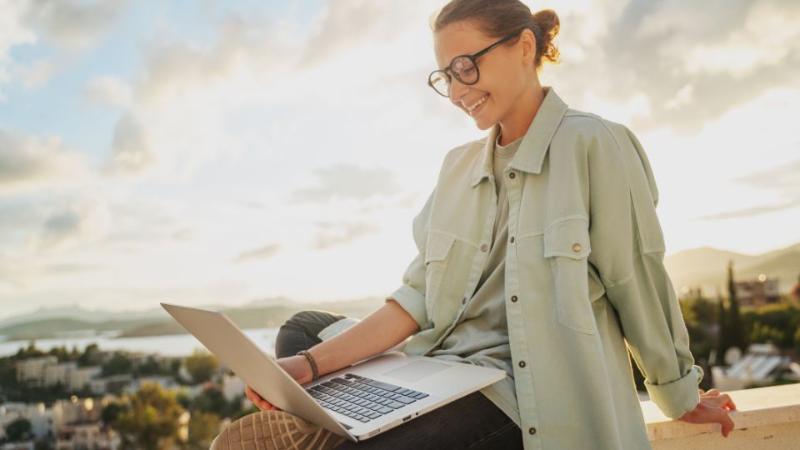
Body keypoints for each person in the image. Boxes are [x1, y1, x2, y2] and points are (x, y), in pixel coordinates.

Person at [211, 0, 737, 448]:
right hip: (436, 370)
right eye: (446, 76)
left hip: (514, 396)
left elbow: (636, 280)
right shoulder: (457, 168)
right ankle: (350, 419)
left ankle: (340, 431)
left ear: (524, 48)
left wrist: (679, 393)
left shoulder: (594, 144)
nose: (458, 91)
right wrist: (309, 367)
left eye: (467, 67)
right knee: (301, 331)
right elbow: (416, 299)